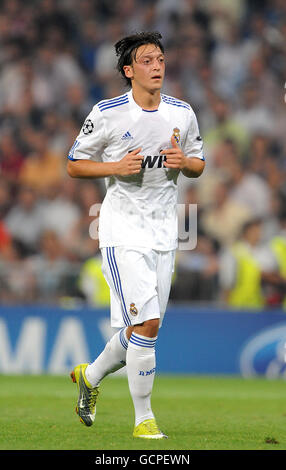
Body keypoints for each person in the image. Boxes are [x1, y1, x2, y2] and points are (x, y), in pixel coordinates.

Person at [67, 31, 205, 439]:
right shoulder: (107, 112)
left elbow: (198, 163)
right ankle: (144, 418)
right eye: (146, 61)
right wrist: (114, 168)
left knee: (144, 330)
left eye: (160, 59)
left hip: (166, 230)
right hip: (121, 228)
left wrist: (187, 163)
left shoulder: (182, 113)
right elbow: (74, 164)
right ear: (129, 71)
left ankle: (90, 377)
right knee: (148, 322)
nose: (157, 66)